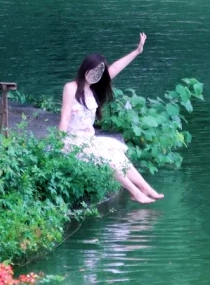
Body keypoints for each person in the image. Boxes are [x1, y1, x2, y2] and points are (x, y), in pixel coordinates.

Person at [59, 34, 163, 203]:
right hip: (72, 142)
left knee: (118, 156)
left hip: (89, 140)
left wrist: (137, 51)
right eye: (93, 71)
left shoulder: (94, 88)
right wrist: (60, 143)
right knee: (106, 159)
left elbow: (114, 68)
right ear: (85, 69)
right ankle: (135, 192)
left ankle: (145, 187)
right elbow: (64, 118)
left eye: (99, 72)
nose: (96, 75)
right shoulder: (70, 88)